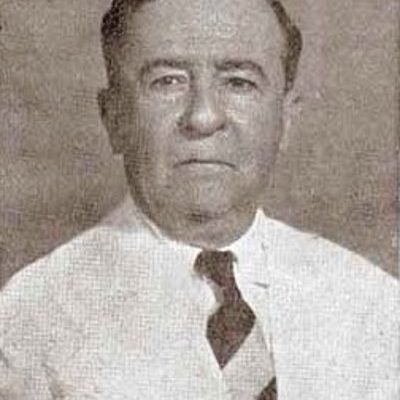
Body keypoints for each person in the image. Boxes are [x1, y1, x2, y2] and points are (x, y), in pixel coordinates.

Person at [0, 0, 398, 398]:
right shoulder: (29, 320)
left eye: (239, 82)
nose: (204, 117)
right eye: (168, 82)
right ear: (114, 117)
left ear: (286, 117)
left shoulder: (372, 306)